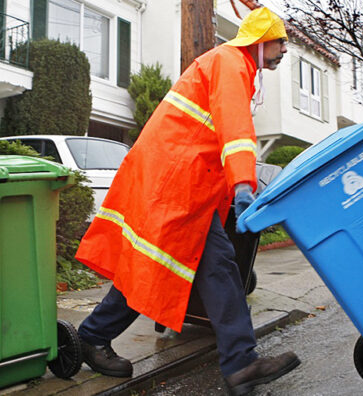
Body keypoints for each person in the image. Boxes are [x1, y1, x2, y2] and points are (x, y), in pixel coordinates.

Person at [74, 7, 299, 396]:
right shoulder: (231, 62)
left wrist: (237, 187)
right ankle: (240, 363)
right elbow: (234, 129)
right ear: (263, 40)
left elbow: (216, 136)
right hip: (175, 184)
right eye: (281, 42)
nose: (284, 51)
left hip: (179, 183)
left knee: (181, 268)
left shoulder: (231, 65)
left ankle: (93, 335)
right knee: (205, 269)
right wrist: (244, 184)